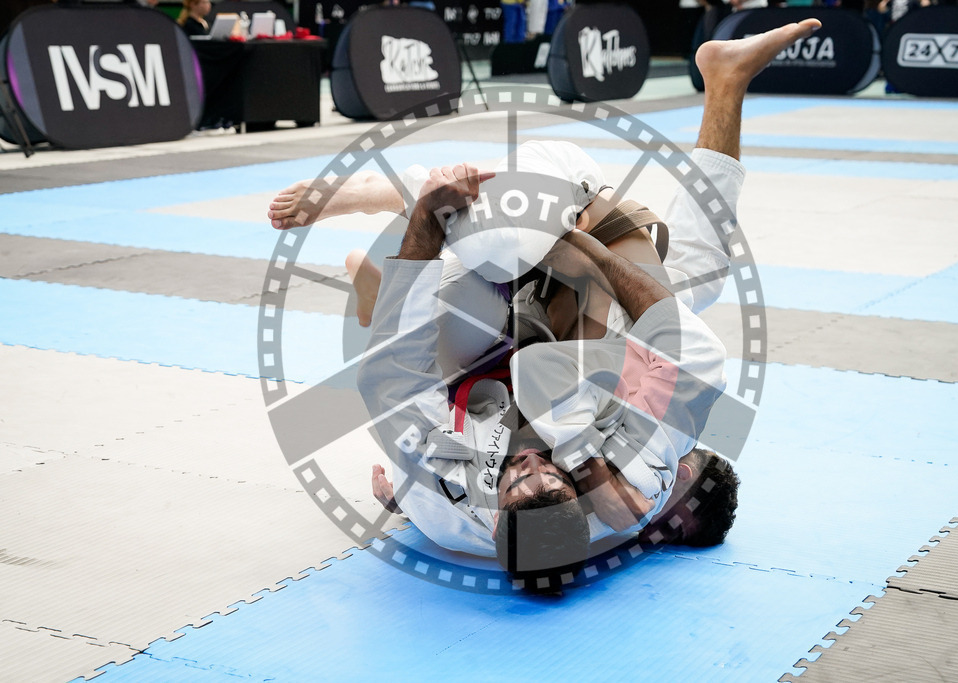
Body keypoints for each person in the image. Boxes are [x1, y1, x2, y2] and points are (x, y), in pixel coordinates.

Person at [272, 19, 823, 575]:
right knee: (696, 280)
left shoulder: (454, 507)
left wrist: (408, 499)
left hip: (472, 336)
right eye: (555, 478)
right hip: (548, 310)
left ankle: (400, 195)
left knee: (501, 250)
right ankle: (725, 81)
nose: (536, 464)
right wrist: (587, 250)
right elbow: (686, 356)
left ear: (495, 518)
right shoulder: (628, 484)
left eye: (521, 480)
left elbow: (393, 377)